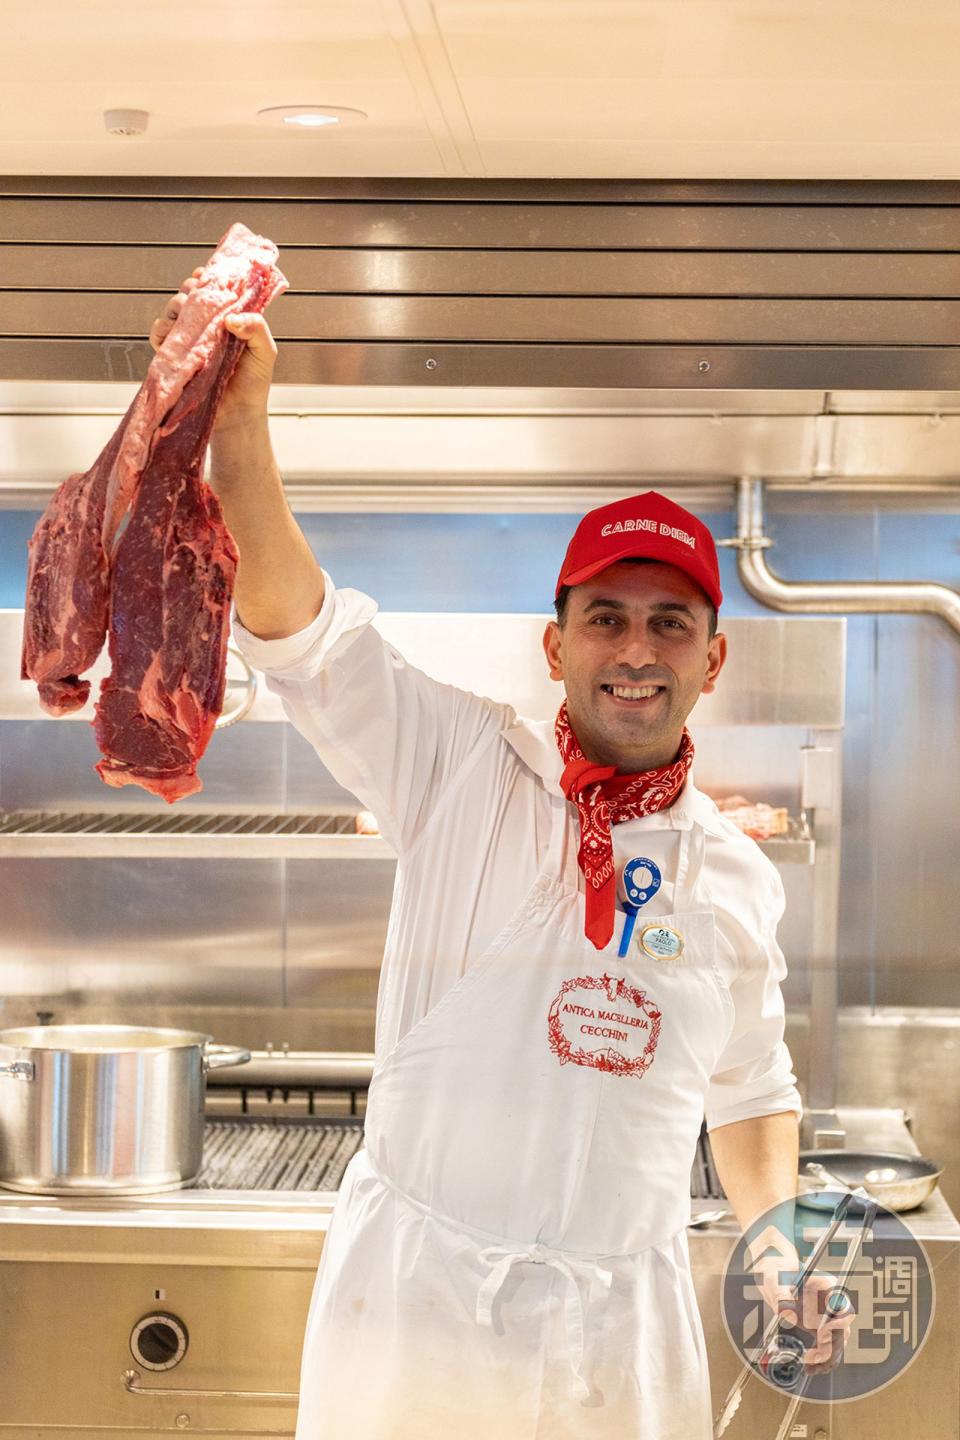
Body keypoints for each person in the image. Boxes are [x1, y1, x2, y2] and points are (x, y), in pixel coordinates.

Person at [151, 280, 855, 1439]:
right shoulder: (463, 765)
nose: (637, 651)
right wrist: (239, 430)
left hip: (617, 1345)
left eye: (669, 622)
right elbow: (303, 631)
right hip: (415, 1318)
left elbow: (752, 1091)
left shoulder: (731, 876)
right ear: (557, 643)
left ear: (714, 659)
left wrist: (775, 1237)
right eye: (607, 617)